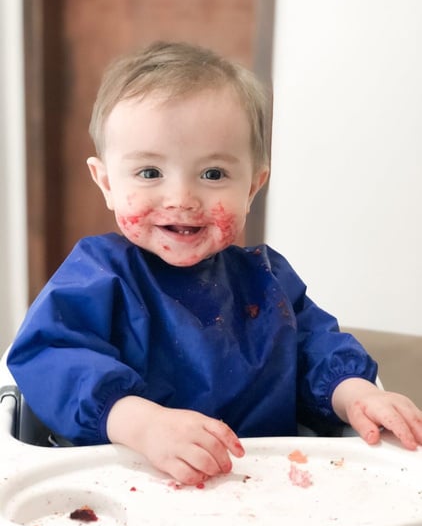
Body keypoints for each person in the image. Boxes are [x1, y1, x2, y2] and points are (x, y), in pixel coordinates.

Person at [8, 41, 422, 486]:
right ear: (106, 182)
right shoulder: (97, 276)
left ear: (252, 186)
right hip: (127, 486)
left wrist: (354, 393)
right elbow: (49, 357)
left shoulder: (268, 281)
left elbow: (315, 349)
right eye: (150, 173)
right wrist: (140, 422)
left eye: (213, 175)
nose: (182, 199)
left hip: (268, 489)